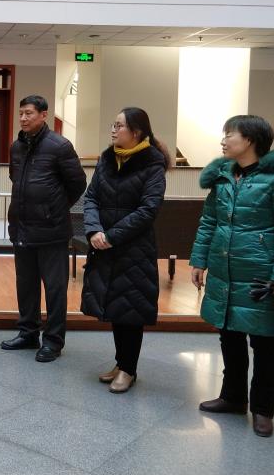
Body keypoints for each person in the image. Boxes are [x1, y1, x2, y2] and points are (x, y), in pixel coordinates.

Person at [191, 115, 274, 437]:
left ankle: (263, 410)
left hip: (260, 275)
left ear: (251, 140)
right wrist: (199, 260)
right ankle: (233, 397)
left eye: (230, 134)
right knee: (229, 335)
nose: (223, 140)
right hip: (225, 272)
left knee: (264, 342)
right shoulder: (223, 177)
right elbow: (209, 222)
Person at [81, 107, 169, 393]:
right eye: (114, 124)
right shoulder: (108, 159)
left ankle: (129, 369)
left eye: (119, 125)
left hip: (134, 249)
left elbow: (148, 209)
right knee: (115, 307)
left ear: (137, 132)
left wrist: (111, 236)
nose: (113, 129)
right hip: (105, 245)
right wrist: (94, 230)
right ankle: (121, 364)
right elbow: (91, 198)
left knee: (131, 310)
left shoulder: (152, 163)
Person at [1, 95, 86, 362]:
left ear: (43, 115)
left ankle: (53, 341)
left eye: (29, 113)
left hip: (52, 231)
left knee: (55, 288)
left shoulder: (60, 146)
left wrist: (53, 208)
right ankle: (28, 333)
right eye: (21, 113)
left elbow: (77, 184)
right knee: (26, 285)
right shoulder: (17, 146)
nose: (23, 118)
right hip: (22, 227)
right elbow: (17, 180)